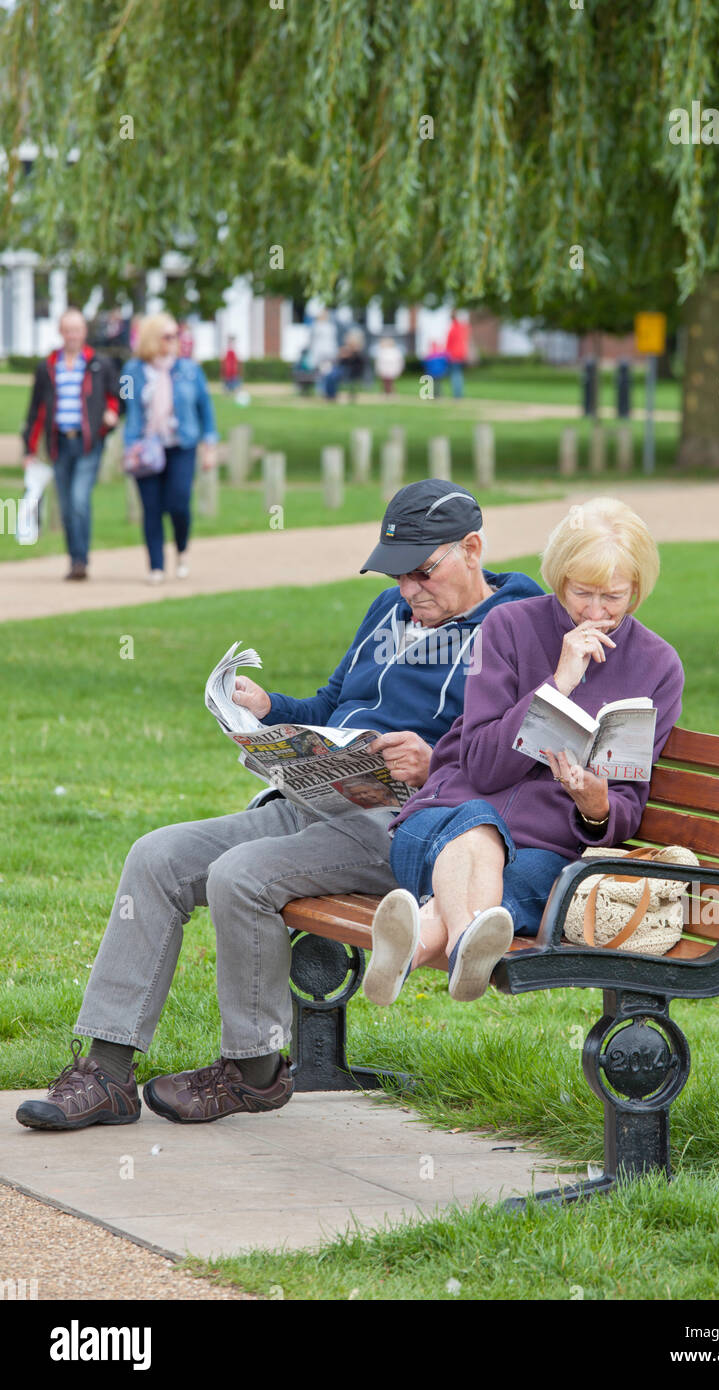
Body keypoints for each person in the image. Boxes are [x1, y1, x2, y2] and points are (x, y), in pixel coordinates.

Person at [15, 480, 542, 1132]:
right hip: (317, 796)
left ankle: (254, 1073)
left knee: (243, 875)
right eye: (396, 574)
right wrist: (269, 713)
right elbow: (331, 707)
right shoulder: (387, 612)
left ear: (472, 548)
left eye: (422, 572)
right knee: (155, 856)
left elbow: (520, 753)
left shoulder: (520, 626)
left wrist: (437, 763)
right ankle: (107, 1073)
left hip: (406, 823)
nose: (408, 589)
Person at [362, 497, 685, 1007]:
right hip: (443, 819)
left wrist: (595, 804)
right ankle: (459, 938)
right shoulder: (508, 627)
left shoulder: (658, 667)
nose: (595, 612)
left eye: (614, 597)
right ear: (559, 579)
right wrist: (556, 686)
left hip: (547, 850)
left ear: (638, 590)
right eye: (581, 594)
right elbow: (484, 767)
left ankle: (420, 939)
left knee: (513, 893)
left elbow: (625, 808)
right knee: (478, 824)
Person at [21, 308, 120, 580]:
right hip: (59, 443)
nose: (72, 335)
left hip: (89, 442)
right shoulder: (47, 367)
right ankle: (75, 559)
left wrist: (116, 408)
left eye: (77, 330)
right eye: (68, 330)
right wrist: (29, 449)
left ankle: (81, 559)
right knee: (65, 504)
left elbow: (125, 385)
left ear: (84, 332)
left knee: (79, 499)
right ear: (61, 332)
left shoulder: (101, 363)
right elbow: (35, 410)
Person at [122, 312, 219, 584]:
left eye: (177, 335)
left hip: (181, 444)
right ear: (152, 338)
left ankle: (182, 549)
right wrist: (128, 443)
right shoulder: (132, 371)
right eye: (168, 336)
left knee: (178, 503)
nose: (175, 340)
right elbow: (126, 407)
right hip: (146, 447)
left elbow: (205, 409)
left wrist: (209, 445)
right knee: (151, 508)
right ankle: (156, 566)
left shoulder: (189, 370)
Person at [445, 311, 470, 399]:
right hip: (461, 354)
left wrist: (447, 354)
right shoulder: (462, 328)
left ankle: (457, 395)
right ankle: (459, 394)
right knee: (459, 374)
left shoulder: (452, 329)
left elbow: (449, 344)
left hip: (453, 355)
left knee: (455, 375)